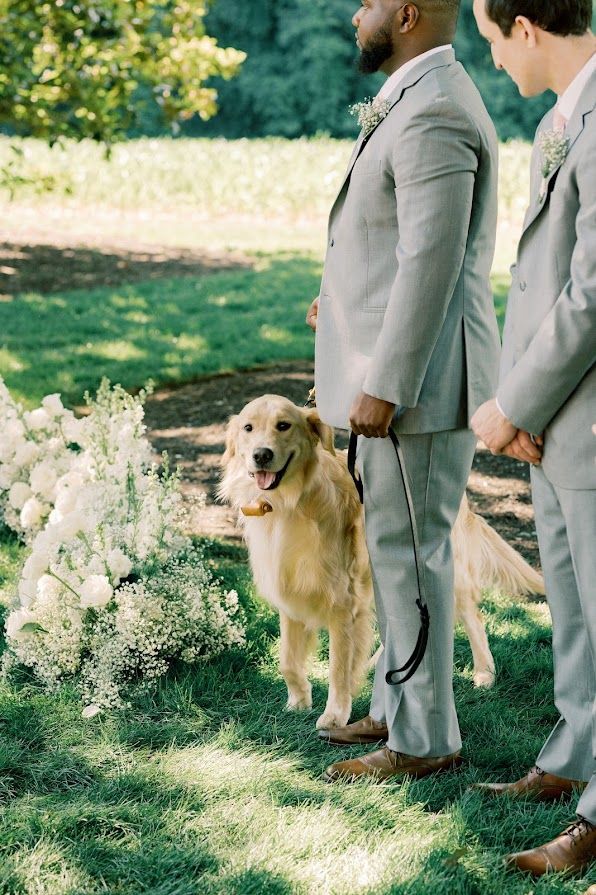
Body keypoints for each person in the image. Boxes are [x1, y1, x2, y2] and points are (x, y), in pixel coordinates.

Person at [305, 0, 501, 784]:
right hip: (401, 376)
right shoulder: (417, 97)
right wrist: (342, 306)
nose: (357, 14)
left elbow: (431, 264)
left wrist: (384, 383)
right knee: (393, 553)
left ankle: (422, 741)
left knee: (411, 558)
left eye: (370, 2)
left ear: (409, 14)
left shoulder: (437, 111)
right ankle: (397, 706)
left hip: (419, 388)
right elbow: (392, 245)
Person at [471, 0, 596, 878]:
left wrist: (512, 400)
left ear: (525, 27)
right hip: (551, 427)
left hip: (584, 418)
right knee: (574, 613)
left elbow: (591, 293)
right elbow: (538, 280)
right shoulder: (563, 116)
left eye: (489, 40)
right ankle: (572, 755)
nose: (494, 60)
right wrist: (521, 413)